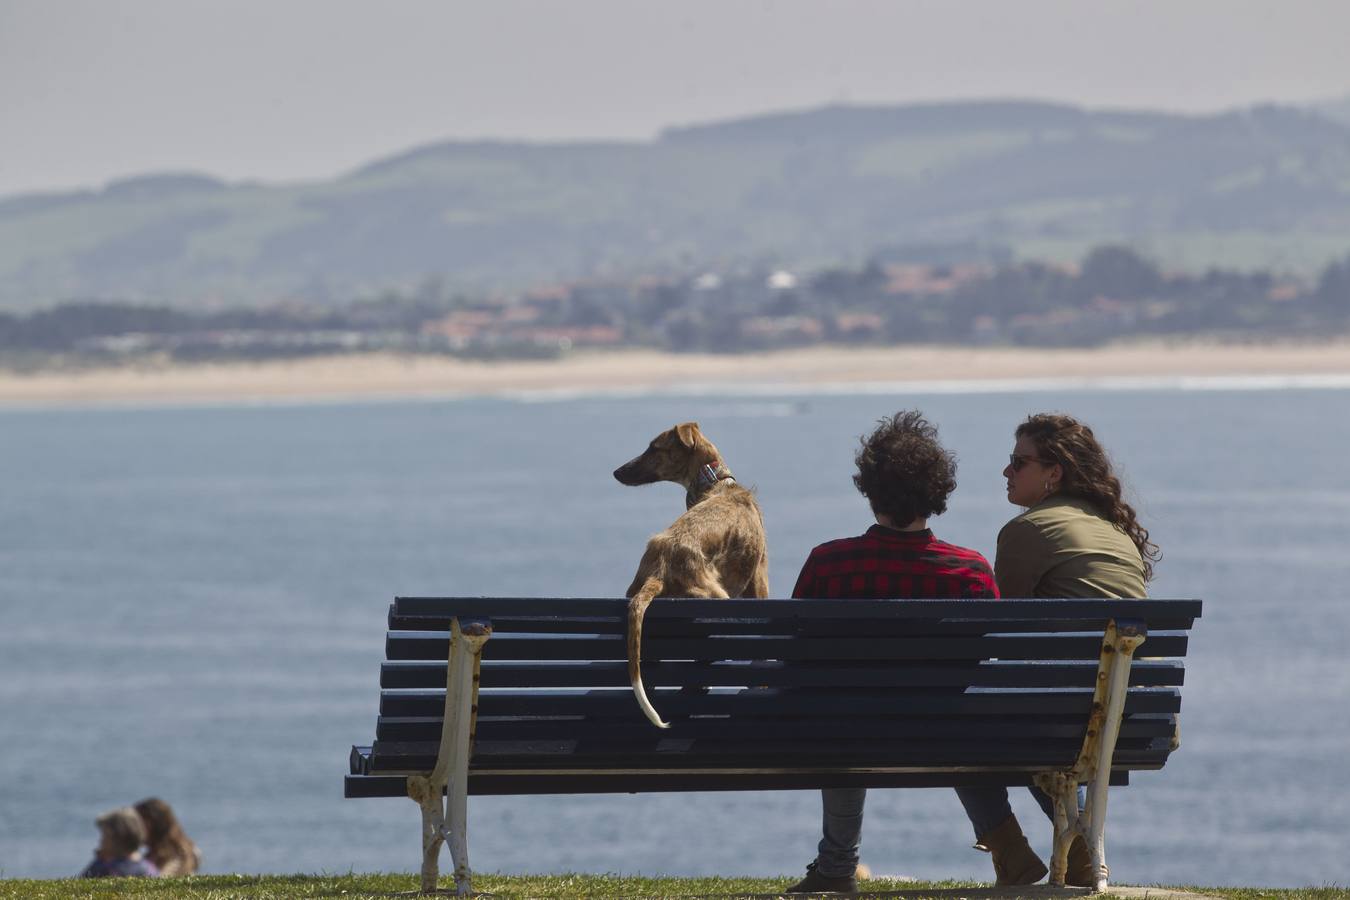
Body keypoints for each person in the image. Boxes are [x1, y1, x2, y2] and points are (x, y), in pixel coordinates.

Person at [785, 411, 998, 895]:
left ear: (870, 489)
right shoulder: (972, 572)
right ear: (937, 492)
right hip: (941, 729)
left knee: (842, 705)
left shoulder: (829, 562)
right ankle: (1022, 847)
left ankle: (837, 863)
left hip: (843, 730)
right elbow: (981, 659)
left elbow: (794, 653)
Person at [955, 412, 1160, 887]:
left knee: (954, 718)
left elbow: (1000, 634)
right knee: (1043, 708)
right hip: (1128, 714)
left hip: (1064, 707)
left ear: (1054, 472)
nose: (1006, 472)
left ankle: (1008, 847)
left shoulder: (1028, 531)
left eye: (1017, 462)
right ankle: (1085, 849)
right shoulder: (1115, 532)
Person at [79, 806, 159, 878]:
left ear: (118, 838)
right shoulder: (149, 868)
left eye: (105, 836)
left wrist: (99, 862)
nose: (101, 841)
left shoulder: (107, 869)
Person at [135, 797, 201, 877]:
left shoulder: (175, 857)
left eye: (138, 823)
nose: (135, 828)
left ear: (153, 824)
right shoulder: (189, 850)